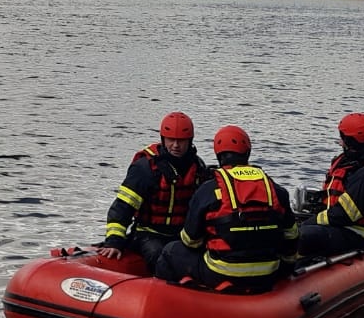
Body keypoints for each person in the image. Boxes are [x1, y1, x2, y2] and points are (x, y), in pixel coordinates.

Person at [155, 125, 299, 293]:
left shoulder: (208, 189)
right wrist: (286, 270)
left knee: (170, 250)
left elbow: (190, 241)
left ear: (219, 155)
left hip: (222, 274)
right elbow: (291, 237)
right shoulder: (275, 189)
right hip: (268, 274)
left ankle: (167, 299)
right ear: (247, 153)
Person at [99, 111, 209, 267]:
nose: (176, 145)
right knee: (159, 255)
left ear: (189, 141)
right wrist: (114, 242)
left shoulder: (198, 167)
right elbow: (122, 207)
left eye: (181, 141)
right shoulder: (145, 168)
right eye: (171, 140)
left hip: (182, 235)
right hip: (148, 234)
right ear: (163, 139)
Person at [296, 112, 364, 259]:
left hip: (357, 232)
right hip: (336, 224)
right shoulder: (347, 162)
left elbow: (344, 215)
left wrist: (308, 223)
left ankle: (292, 266)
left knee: (302, 235)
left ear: (351, 141)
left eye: (342, 138)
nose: (340, 142)